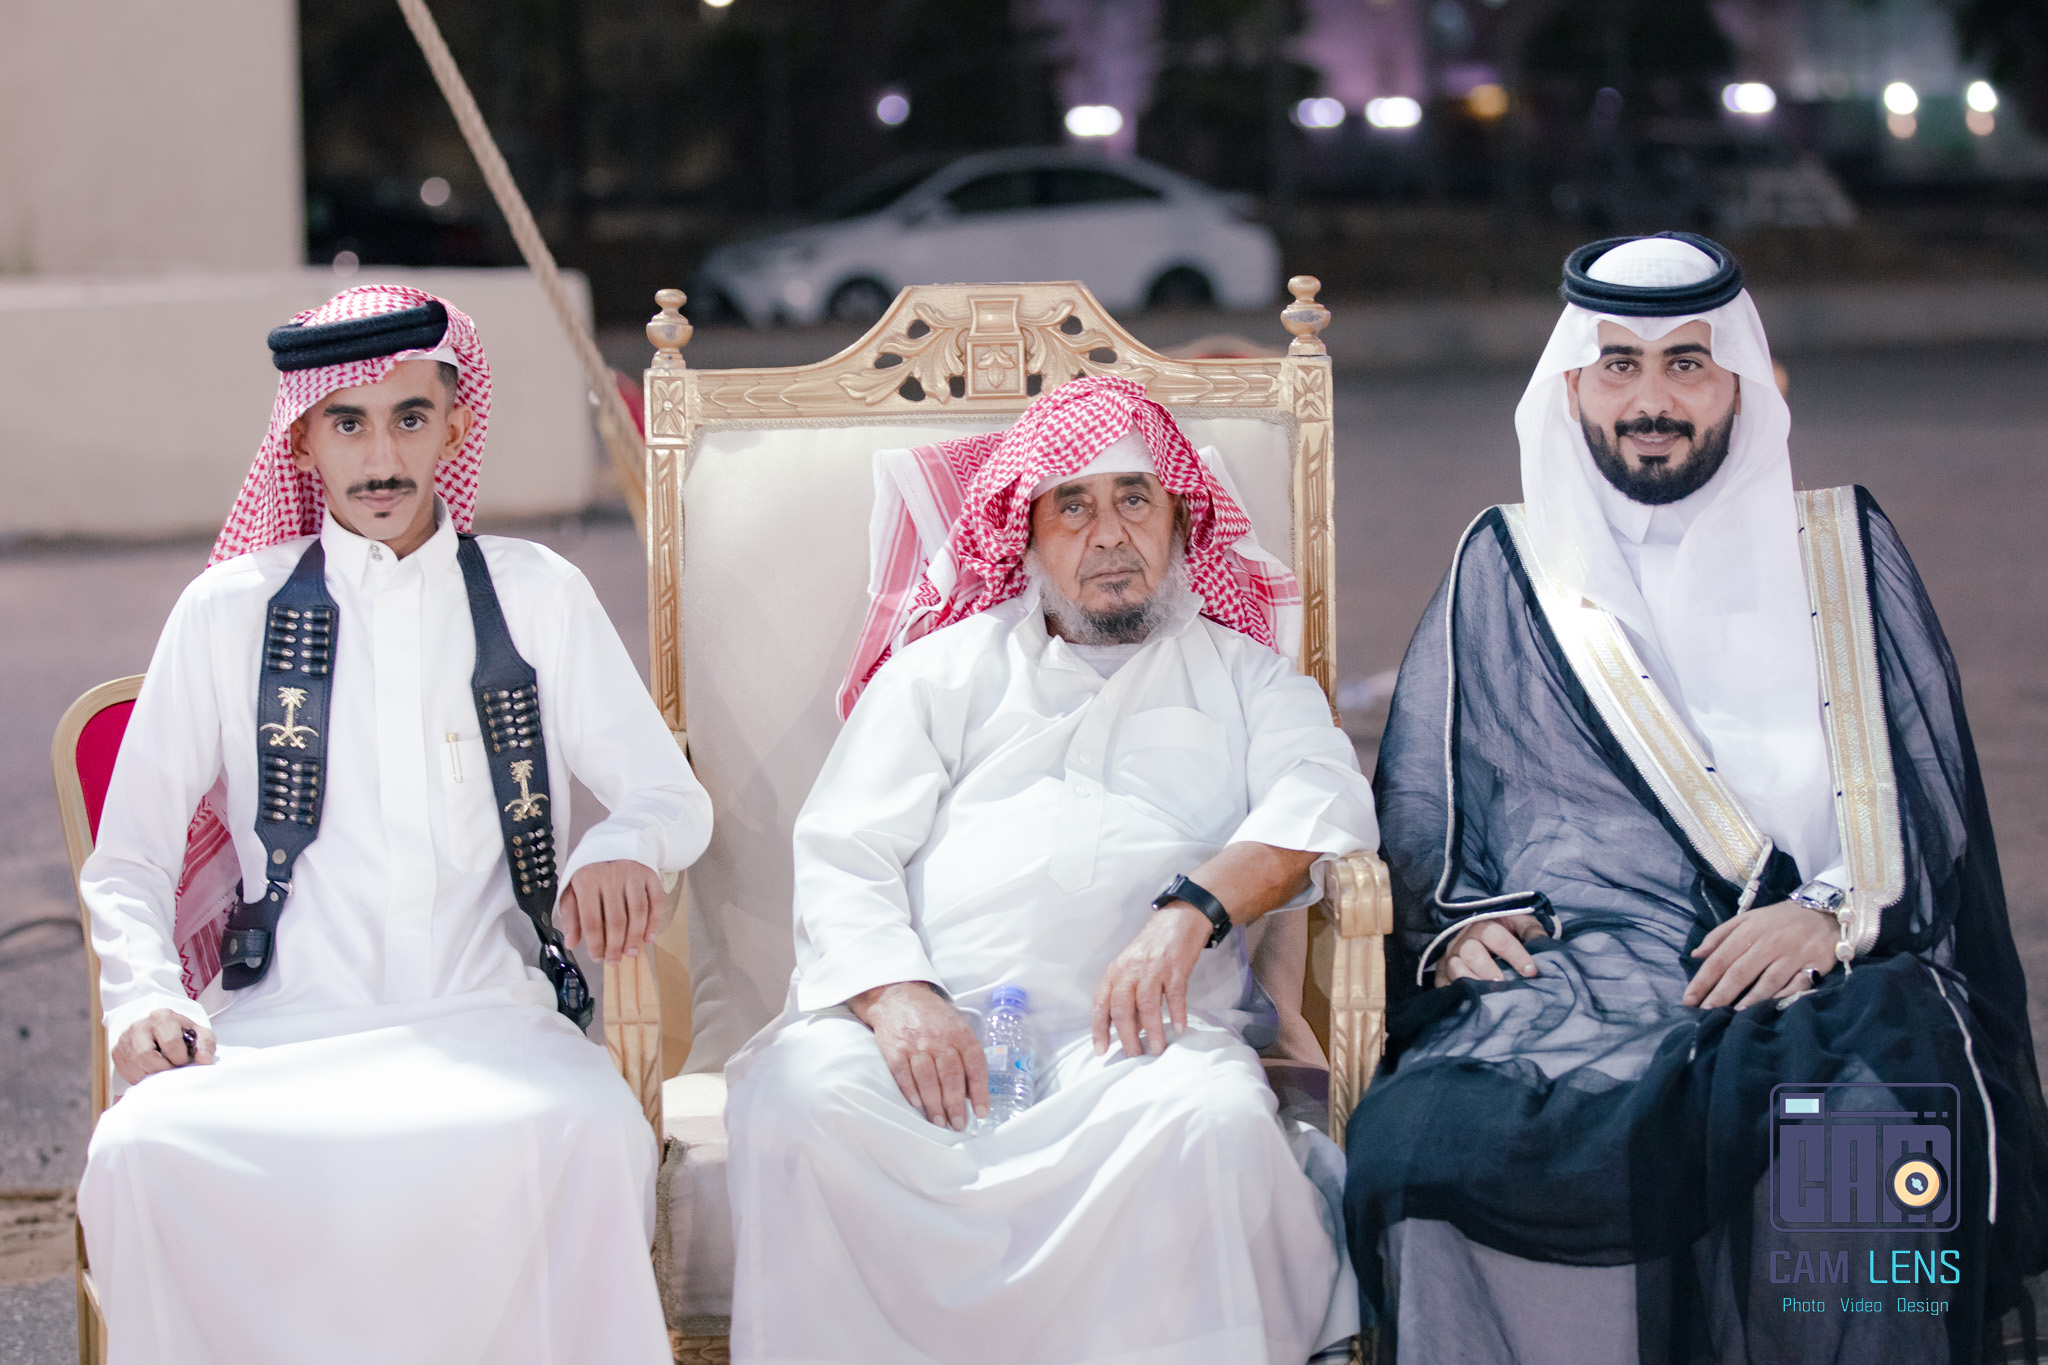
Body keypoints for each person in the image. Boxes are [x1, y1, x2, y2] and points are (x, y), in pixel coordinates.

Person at [1344, 234, 2048, 1363]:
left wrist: (1829, 913)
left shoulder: (1839, 548)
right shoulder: (1508, 562)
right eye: (1618, 365)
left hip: (1826, 972)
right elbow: (1427, 806)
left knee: (1864, 1135)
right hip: (1581, 969)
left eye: (1685, 363)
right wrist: (1457, 925)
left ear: (1740, 384)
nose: (1651, 401)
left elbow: (1928, 798)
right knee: (1425, 1147)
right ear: (1571, 386)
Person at [76, 285, 712, 1365]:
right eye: (349, 423)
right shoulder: (228, 610)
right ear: (303, 440)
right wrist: (142, 995)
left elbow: (668, 795)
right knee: (142, 1151)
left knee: (591, 1131)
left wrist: (618, 847)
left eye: (411, 418)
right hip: (277, 1032)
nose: (381, 457)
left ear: (455, 428)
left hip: (496, 1020)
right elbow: (131, 853)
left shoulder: (534, 595)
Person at [723, 375, 1377, 1364]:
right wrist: (896, 995)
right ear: (1024, 534)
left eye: (1133, 499)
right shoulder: (943, 672)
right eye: (1071, 505)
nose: (1107, 534)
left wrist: (1190, 910)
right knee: (802, 1100)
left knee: (1211, 1121)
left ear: (1179, 521)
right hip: (936, 1041)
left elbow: (1324, 801)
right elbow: (844, 847)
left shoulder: (1246, 680)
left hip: (1142, 1055)